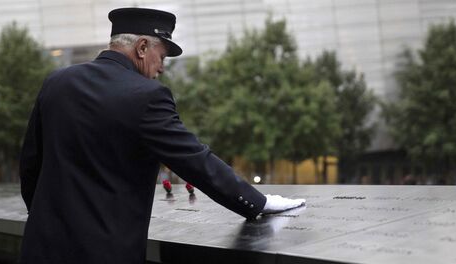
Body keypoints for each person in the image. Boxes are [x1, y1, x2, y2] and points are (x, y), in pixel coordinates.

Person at [19, 7, 305, 263]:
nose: (162, 67)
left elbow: (30, 164)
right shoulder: (147, 96)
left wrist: (46, 220)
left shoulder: (57, 82)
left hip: (39, 248)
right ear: (142, 47)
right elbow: (194, 159)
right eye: (162, 55)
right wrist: (257, 202)